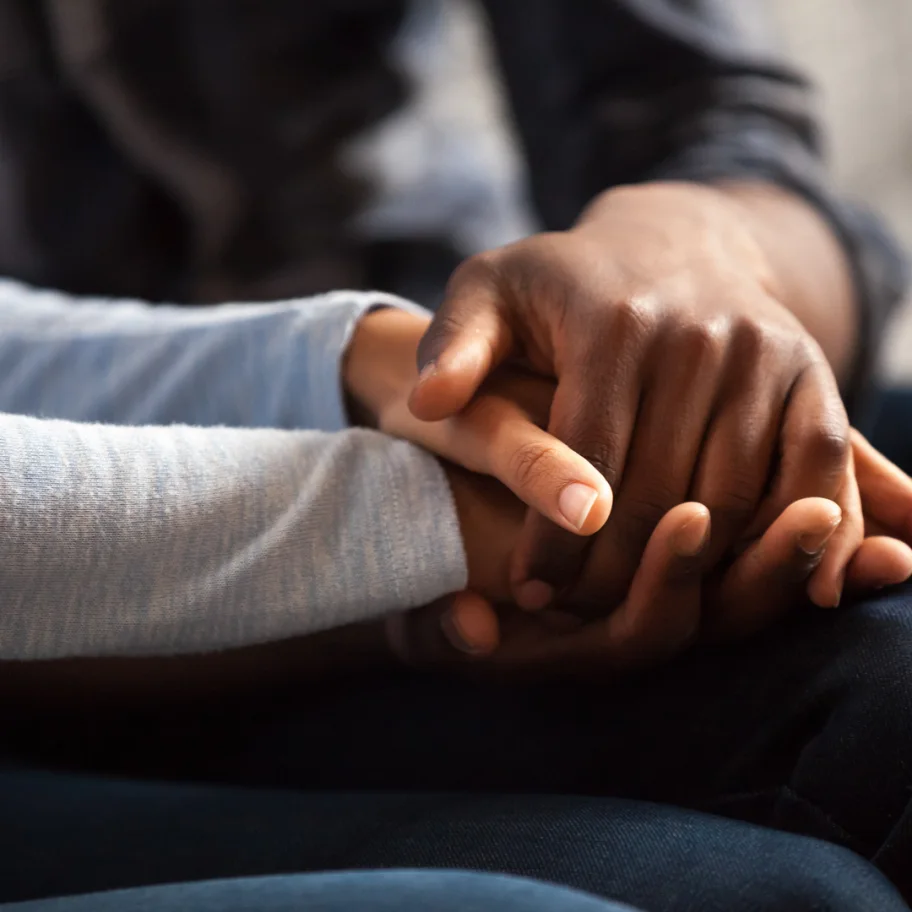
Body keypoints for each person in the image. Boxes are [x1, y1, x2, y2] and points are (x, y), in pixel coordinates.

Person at [2, 0, 912, 909]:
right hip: (113, 604)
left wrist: (696, 262)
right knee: (774, 891)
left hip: (450, 400)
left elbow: (709, 114)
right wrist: (421, 531)